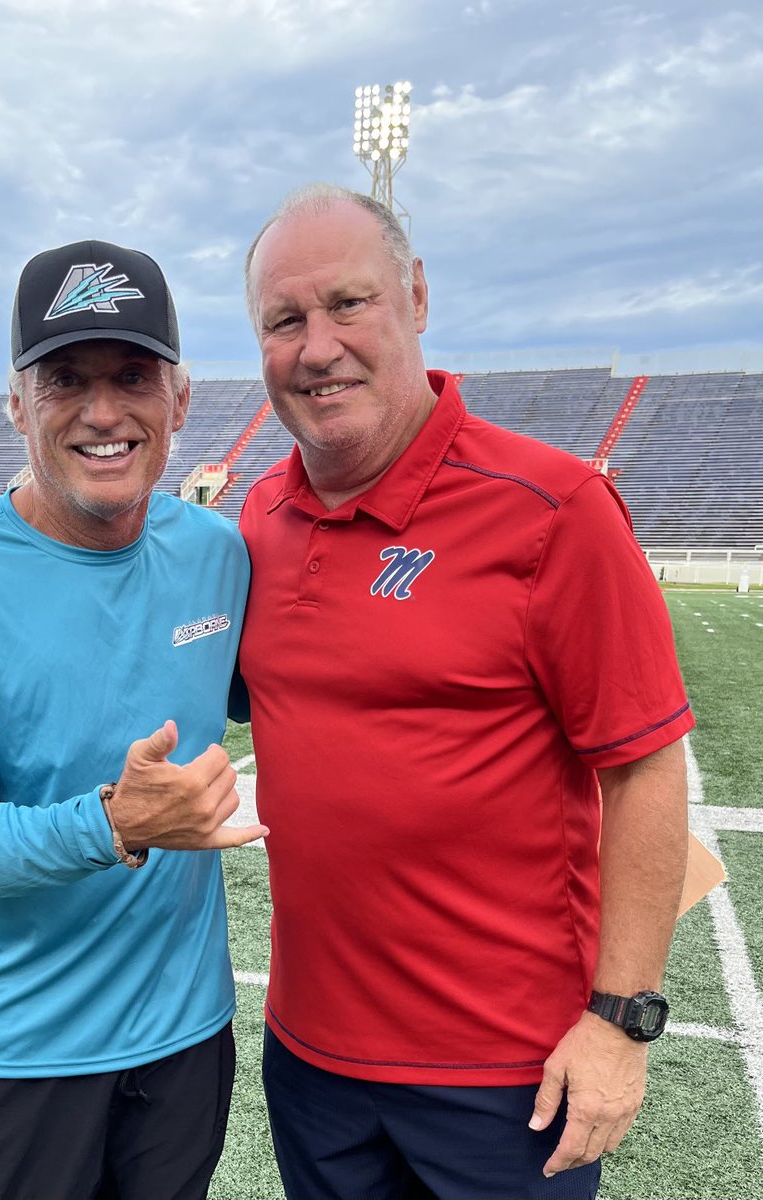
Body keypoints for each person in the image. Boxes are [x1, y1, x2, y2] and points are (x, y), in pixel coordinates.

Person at [237, 183, 692, 1200]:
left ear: (414, 298)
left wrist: (621, 1023)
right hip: (310, 1063)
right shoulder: (257, 519)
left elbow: (644, 770)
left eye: (347, 304)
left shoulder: (553, 510)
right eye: (283, 320)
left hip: (506, 1075)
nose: (317, 347)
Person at [0, 238, 267, 1200]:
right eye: (64, 380)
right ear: (17, 402)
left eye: (132, 375)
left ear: (179, 400)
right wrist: (113, 822)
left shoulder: (218, 554)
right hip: (22, 1056)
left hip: (186, 1039)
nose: (102, 412)